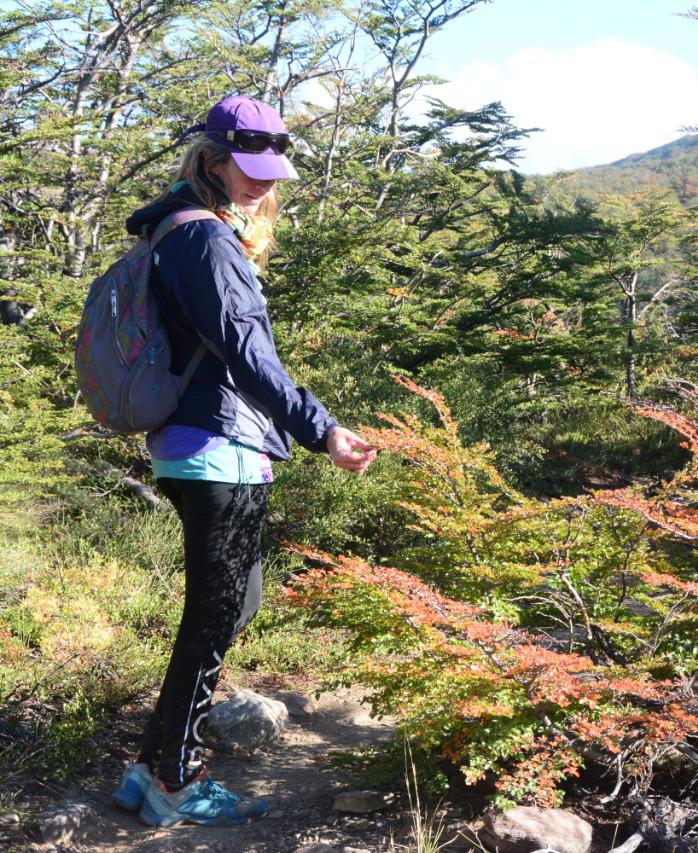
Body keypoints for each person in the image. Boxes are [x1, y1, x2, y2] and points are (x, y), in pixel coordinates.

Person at [108, 95, 376, 827]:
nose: (262, 183)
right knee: (219, 612)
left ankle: (149, 768)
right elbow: (249, 355)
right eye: (248, 169)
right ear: (213, 160)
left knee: (229, 604)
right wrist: (323, 429)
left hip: (196, 444)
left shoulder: (176, 228)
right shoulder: (205, 240)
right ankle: (176, 780)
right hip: (218, 446)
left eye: (270, 171)